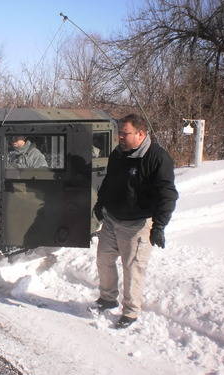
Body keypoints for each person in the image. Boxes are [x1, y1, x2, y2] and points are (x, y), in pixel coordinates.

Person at [92, 114, 178, 329]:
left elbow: (167, 194)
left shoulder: (157, 157)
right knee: (104, 259)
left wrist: (159, 226)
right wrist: (100, 203)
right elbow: (109, 182)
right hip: (112, 219)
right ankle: (107, 298)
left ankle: (130, 311)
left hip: (137, 224)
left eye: (125, 133)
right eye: (119, 132)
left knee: (132, 268)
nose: (120, 137)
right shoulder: (118, 154)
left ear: (141, 134)